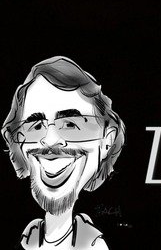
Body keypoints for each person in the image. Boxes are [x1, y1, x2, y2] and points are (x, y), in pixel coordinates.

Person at [4, 58, 122, 248]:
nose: (49, 140)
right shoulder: (28, 236)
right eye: (35, 126)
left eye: (70, 124)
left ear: (107, 140)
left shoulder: (92, 245)